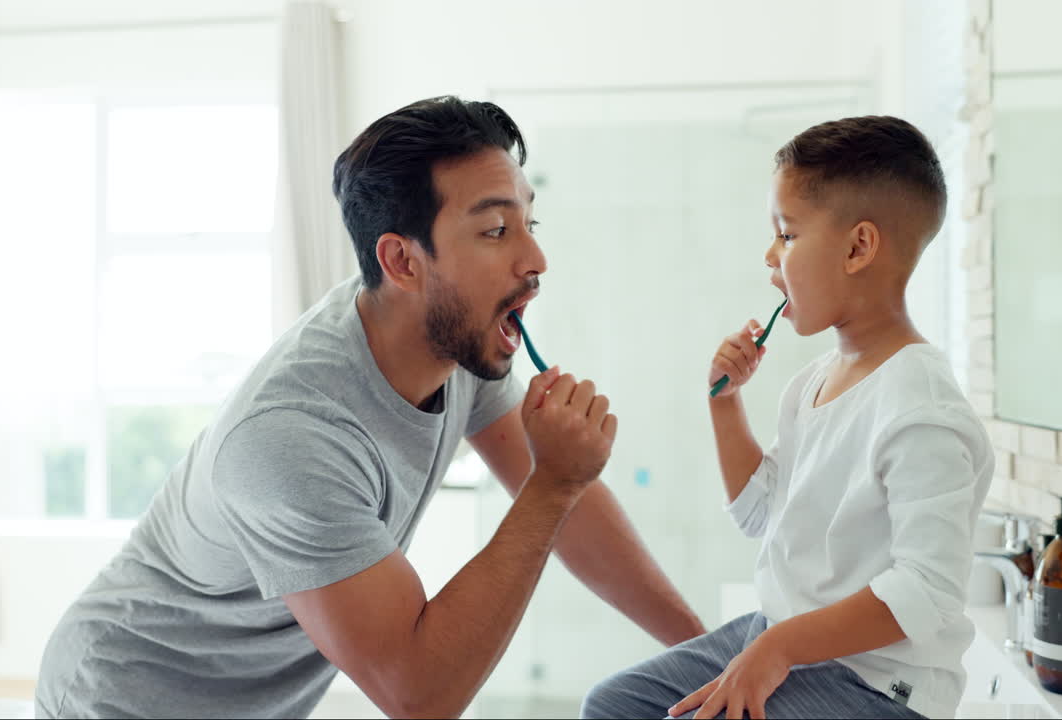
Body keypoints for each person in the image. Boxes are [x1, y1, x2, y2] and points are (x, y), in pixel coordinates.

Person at [35, 96, 704, 719]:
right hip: (122, 697)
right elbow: (417, 693)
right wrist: (553, 483)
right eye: (497, 230)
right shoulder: (289, 438)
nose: (535, 258)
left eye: (529, 222)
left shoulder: (457, 340)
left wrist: (708, 655)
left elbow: (577, 510)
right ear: (403, 261)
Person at [582, 116, 994, 720]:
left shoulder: (920, 407)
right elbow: (758, 513)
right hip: (783, 638)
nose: (770, 256)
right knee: (614, 706)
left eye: (788, 235)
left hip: (879, 687)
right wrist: (725, 403)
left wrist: (779, 647)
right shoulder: (812, 384)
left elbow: (927, 590)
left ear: (858, 247)